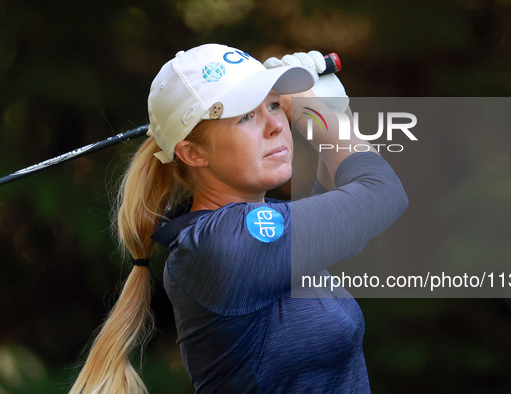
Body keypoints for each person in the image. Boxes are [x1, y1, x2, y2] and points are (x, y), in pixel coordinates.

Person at [68, 43, 408, 394]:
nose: (276, 124)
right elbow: (381, 194)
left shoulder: (257, 226)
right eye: (247, 115)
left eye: (275, 105)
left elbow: (348, 217)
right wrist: (318, 114)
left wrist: (335, 117)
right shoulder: (221, 245)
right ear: (193, 153)